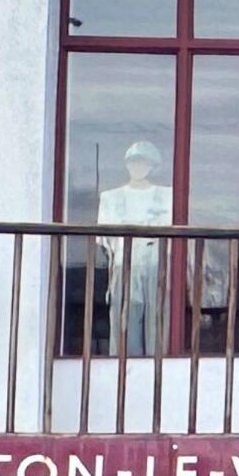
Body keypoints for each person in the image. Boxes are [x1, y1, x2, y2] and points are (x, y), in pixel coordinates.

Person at [95, 139, 170, 354]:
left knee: (156, 319)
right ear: (127, 165)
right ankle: (122, 367)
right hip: (122, 263)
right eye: (134, 162)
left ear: (152, 166)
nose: (138, 168)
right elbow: (105, 241)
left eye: (144, 163)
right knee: (124, 318)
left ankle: (159, 365)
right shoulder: (111, 198)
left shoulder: (167, 197)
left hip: (156, 264)